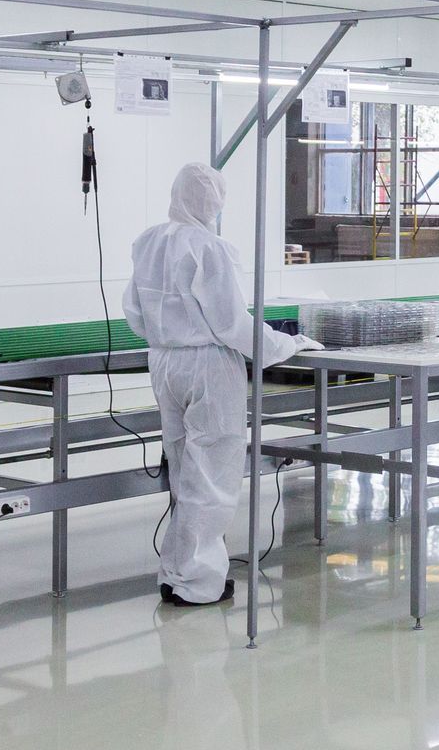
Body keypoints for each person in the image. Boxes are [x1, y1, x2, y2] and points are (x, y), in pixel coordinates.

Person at [124, 164, 320, 606]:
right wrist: (286, 344)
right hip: (209, 365)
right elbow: (233, 323)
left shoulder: (149, 241)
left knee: (182, 467)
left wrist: (168, 336)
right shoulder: (210, 248)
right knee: (210, 472)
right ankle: (200, 582)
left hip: (164, 360)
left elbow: (134, 311)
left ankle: (176, 573)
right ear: (212, 202)